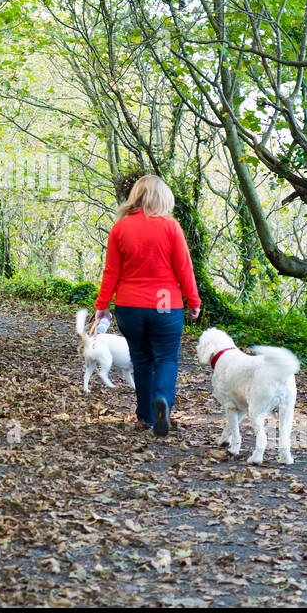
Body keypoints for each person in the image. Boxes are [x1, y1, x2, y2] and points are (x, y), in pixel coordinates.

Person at [90, 175, 201, 437]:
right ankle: (162, 398)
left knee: (141, 360)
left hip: (130, 304)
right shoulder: (171, 227)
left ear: (135, 196)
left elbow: (111, 272)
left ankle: (145, 415)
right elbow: (184, 268)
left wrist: (102, 305)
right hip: (165, 304)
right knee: (166, 357)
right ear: (162, 197)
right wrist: (193, 301)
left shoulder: (121, 228)